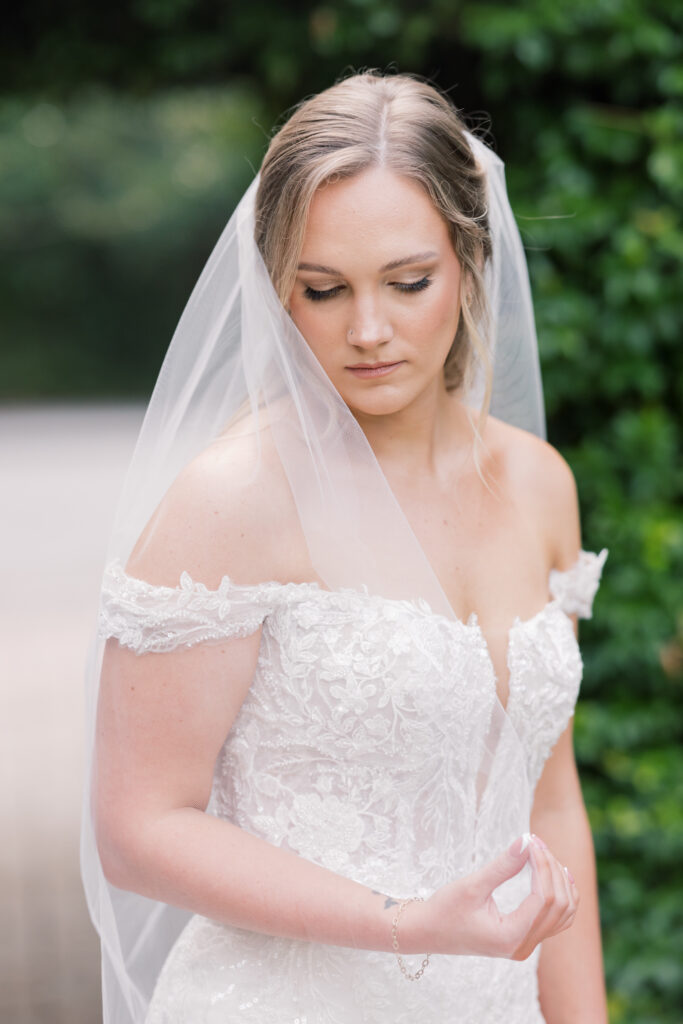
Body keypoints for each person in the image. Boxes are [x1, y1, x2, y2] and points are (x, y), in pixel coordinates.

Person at [82, 71, 610, 1023]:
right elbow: (138, 827)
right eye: (323, 291)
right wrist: (406, 923)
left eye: (408, 283)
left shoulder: (539, 484)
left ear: (471, 259)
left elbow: (548, 808)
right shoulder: (231, 500)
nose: (368, 332)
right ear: (277, 288)